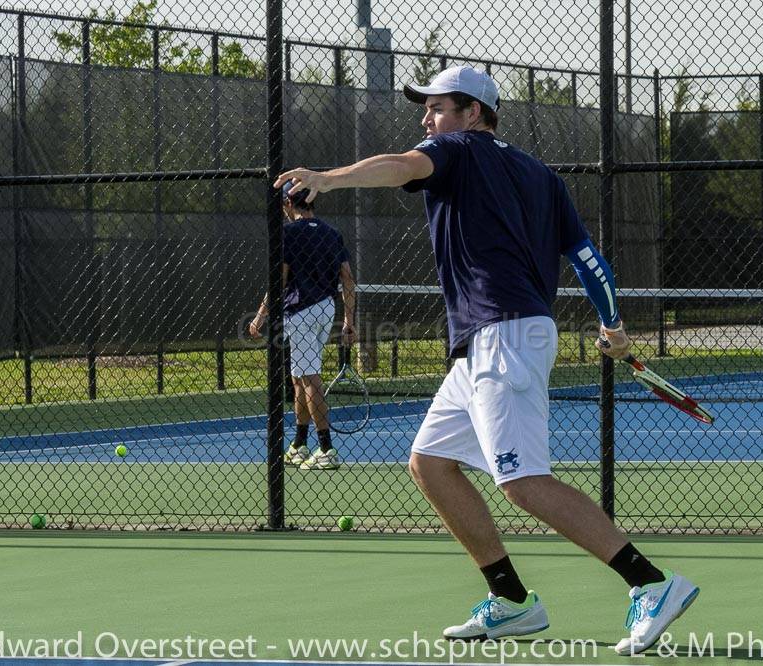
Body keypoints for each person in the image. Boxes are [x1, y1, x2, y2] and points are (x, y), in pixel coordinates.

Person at [274, 65, 698, 654]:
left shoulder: (455, 149)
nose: (427, 118)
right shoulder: (541, 175)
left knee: (522, 482)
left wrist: (326, 177)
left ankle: (651, 584)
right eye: (426, 109)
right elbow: (588, 260)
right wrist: (614, 327)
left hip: (505, 336)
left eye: (438, 107)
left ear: (472, 113)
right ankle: (512, 599)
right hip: (489, 340)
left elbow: (402, 165)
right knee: (430, 463)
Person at [249, 181, 357, 471]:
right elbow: (347, 278)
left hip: (301, 314)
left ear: (287, 204)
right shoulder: (332, 234)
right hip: (325, 310)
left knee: (309, 379)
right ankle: (299, 444)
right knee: (299, 378)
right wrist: (349, 320)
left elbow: (280, 280)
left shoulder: (287, 234)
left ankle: (327, 449)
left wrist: (260, 316)